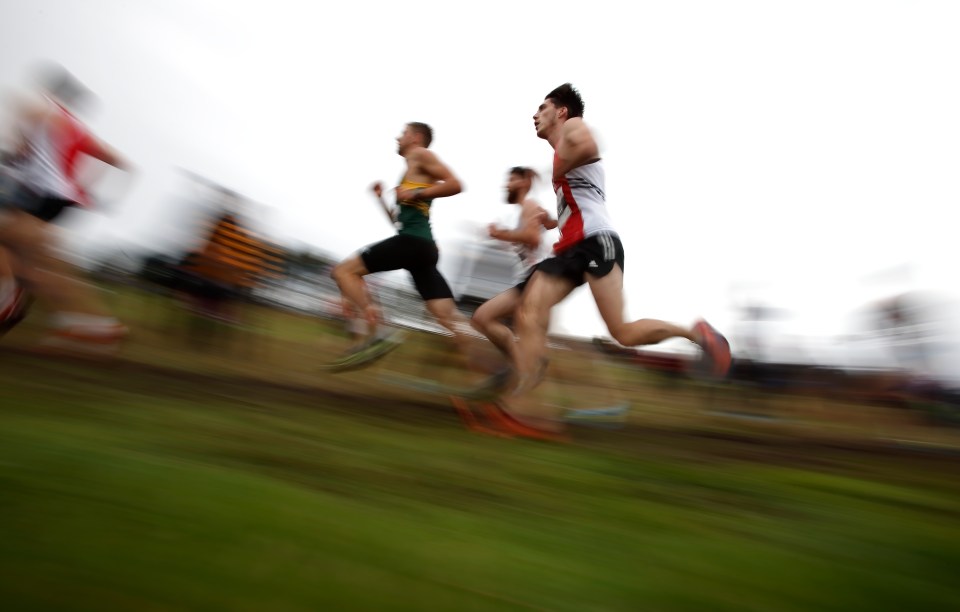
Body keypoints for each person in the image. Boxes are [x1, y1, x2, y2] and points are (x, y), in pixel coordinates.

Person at [499, 83, 731, 432]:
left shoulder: (573, 127)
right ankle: (527, 401)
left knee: (622, 332)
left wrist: (561, 169)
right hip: (575, 246)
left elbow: (592, 146)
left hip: (596, 242)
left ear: (561, 111)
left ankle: (695, 333)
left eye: (543, 107)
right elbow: (580, 196)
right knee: (530, 311)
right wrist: (553, 217)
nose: (535, 114)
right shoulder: (560, 150)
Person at [0, 62, 131, 352]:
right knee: (29, 260)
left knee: (22, 254)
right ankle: (92, 326)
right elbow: (120, 163)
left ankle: (12, 302)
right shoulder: (78, 129)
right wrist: (90, 190)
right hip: (63, 202)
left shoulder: (38, 111)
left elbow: (17, 152)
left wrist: (10, 158)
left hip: (37, 195)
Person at [330, 122, 474, 366]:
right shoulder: (410, 173)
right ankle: (493, 361)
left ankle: (378, 331)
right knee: (447, 316)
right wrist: (381, 200)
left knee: (343, 272)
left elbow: (456, 184)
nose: (398, 137)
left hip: (414, 243)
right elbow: (398, 222)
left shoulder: (420, 155)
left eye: (403, 133)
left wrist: (415, 194)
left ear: (416, 138)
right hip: (420, 248)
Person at [470, 166, 555, 371]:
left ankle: (524, 367)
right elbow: (548, 226)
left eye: (511, 180)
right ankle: (523, 364)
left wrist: (502, 234)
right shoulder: (527, 209)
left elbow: (532, 238)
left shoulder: (529, 204)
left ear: (524, 183)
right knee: (482, 318)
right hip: (532, 277)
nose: (506, 184)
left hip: (539, 275)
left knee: (484, 318)